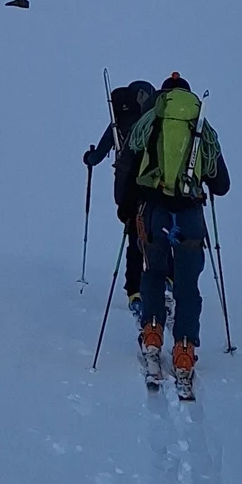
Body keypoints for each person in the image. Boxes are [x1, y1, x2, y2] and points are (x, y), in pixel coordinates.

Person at [124, 73, 230, 399]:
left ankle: (153, 335)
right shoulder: (201, 127)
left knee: (154, 274)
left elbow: (130, 160)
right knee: (187, 284)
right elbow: (222, 184)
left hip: (155, 212)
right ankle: (184, 350)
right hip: (190, 215)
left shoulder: (150, 120)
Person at [84, 81, 157, 314]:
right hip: (153, 187)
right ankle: (163, 282)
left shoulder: (119, 123)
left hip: (125, 189)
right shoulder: (154, 121)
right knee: (156, 233)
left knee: (134, 234)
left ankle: (133, 290)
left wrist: (90, 158)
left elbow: (100, 153)